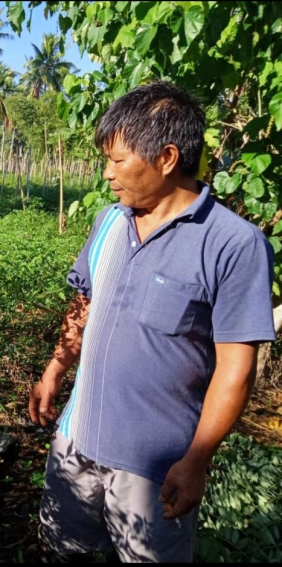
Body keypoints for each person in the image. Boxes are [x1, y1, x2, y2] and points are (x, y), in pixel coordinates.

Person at [28, 81, 276, 563]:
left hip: (154, 468)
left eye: (118, 162)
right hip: (76, 439)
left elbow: (235, 368)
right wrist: (53, 371)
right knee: (64, 550)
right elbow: (84, 304)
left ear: (165, 157)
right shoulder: (108, 222)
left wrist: (196, 461)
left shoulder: (233, 245)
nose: (107, 175)